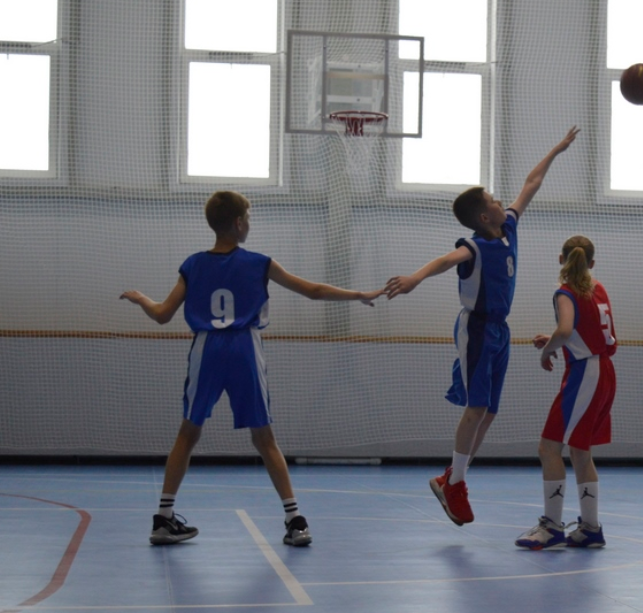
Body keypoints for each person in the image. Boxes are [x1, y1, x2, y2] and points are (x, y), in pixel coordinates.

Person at [120, 190, 383, 546]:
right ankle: (295, 520)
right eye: (249, 218)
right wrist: (358, 295)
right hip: (244, 347)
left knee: (187, 433)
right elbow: (313, 291)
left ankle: (163, 519)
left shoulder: (193, 265)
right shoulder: (259, 263)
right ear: (239, 223)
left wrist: (141, 299)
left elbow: (163, 314)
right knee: (264, 438)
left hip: (206, 349)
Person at [385, 127, 580, 525]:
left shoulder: (508, 228)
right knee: (475, 408)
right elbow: (445, 260)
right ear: (482, 216)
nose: (500, 200)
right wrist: (415, 278)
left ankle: (451, 478)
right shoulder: (475, 245)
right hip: (475, 328)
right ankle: (455, 484)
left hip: (500, 330)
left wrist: (556, 150)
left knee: (489, 412)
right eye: (492, 199)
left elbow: (531, 183)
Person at [515, 235, 616, 550]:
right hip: (603, 371)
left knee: (549, 448)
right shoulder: (598, 288)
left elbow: (566, 329)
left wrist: (548, 349)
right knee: (580, 452)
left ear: (561, 259)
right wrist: (557, 340)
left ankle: (552, 527)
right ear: (592, 263)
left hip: (585, 374)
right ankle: (590, 529)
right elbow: (585, 330)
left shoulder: (565, 292)